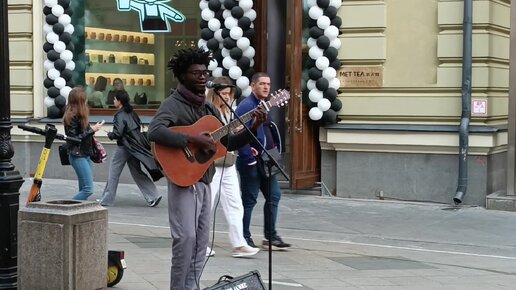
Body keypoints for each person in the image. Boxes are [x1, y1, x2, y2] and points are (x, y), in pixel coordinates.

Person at [147, 48, 267, 290]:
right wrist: (191, 141)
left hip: (204, 178)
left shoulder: (210, 108)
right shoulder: (173, 104)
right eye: (195, 73)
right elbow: (155, 131)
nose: (202, 77)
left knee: (201, 242)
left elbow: (228, 143)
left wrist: (253, 126)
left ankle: (192, 286)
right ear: (182, 76)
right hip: (182, 179)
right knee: (185, 239)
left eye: (204, 72)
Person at [235, 72, 292, 250]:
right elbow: (239, 133)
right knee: (249, 200)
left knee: (274, 195)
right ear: (253, 86)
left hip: (266, 160)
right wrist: (248, 158)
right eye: (262, 84)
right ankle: (244, 237)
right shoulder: (246, 106)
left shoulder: (263, 105)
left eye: (268, 84)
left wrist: (275, 150)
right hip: (251, 161)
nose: (266, 87)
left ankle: (270, 236)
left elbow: (268, 130)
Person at [205, 76, 260, 258]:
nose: (227, 97)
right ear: (215, 94)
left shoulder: (229, 113)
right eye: (223, 94)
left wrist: (246, 142)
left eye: (229, 94)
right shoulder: (208, 111)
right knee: (207, 205)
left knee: (235, 204)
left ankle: (239, 244)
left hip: (228, 163)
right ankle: (200, 243)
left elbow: (231, 139)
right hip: (212, 165)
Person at [98, 90, 163, 207]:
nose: (113, 101)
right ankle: (154, 195)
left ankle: (107, 199)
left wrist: (110, 134)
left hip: (124, 147)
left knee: (113, 172)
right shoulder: (132, 112)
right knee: (137, 172)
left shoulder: (119, 115)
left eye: (114, 99)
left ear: (119, 101)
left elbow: (118, 133)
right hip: (135, 148)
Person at [63, 87, 104, 200]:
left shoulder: (80, 115)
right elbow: (73, 138)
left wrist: (91, 130)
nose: (87, 101)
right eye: (85, 99)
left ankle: (79, 213)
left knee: (83, 189)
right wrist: (92, 130)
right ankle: (69, 209)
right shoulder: (72, 116)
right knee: (88, 189)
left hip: (85, 154)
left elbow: (82, 133)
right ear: (80, 101)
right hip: (78, 155)